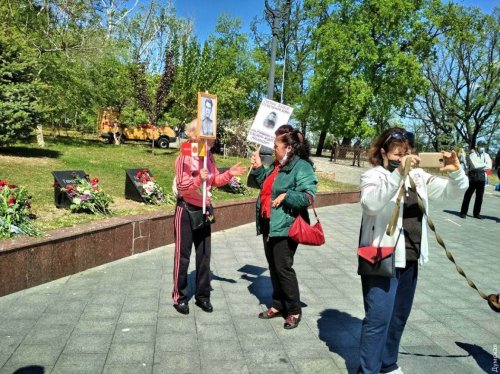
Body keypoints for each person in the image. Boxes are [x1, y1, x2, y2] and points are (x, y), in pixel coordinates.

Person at [358, 127, 468, 374]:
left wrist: (456, 173)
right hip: (381, 258)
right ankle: (368, 370)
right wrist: (398, 173)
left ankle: (387, 363)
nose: (401, 157)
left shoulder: (418, 177)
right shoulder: (373, 175)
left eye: (406, 152)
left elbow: (452, 193)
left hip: (410, 257)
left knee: (398, 318)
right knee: (378, 320)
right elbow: (370, 204)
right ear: (383, 152)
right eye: (396, 153)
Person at [172, 119, 245, 315]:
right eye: (207, 133)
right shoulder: (184, 158)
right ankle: (180, 297)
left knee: (204, 256)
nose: (212, 137)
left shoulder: (208, 157)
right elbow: (181, 187)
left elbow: (215, 180)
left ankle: (203, 296)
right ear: (193, 135)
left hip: (204, 209)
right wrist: (198, 179)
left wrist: (229, 173)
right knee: (183, 256)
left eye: (212, 133)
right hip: (186, 210)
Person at [250, 125, 317, 329]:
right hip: (269, 223)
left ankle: (294, 310)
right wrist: (258, 167)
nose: (273, 148)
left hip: (286, 225)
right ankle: (278, 305)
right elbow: (265, 185)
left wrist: (287, 196)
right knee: (273, 266)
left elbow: (308, 196)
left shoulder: (301, 167)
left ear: (288, 147)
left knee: (283, 268)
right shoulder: (277, 165)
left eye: (276, 144)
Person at [460, 140, 492, 219]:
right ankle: (463, 212)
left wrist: (481, 165)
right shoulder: (472, 155)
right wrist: (485, 165)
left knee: (479, 197)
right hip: (472, 177)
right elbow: (474, 166)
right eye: (481, 145)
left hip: (481, 177)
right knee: (468, 195)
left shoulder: (487, 155)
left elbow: (490, 167)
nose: (482, 147)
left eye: (484, 146)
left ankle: (476, 213)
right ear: (477, 146)